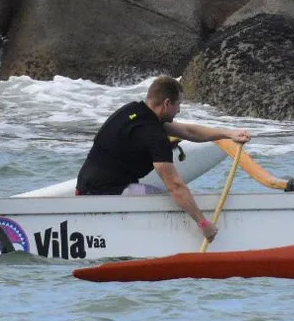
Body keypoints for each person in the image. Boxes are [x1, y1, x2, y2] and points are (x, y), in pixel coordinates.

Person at [76, 76, 252, 244]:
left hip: (84, 188)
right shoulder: (154, 135)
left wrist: (228, 134)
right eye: (178, 104)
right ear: (167, 103)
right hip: (105, 195)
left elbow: (189, 132)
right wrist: (203, 223)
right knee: (168, 199)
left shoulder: (133, 111)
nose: (179, 110)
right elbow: (175, 185)